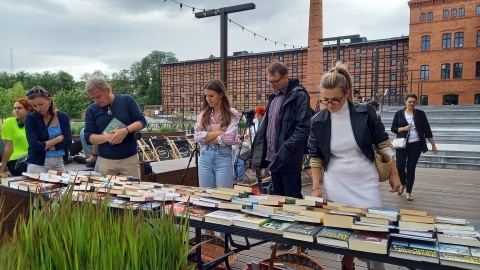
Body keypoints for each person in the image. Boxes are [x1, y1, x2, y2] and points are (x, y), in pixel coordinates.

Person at [308, 63, 401, 270]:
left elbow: (383, 142)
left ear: (347, 93)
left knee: (375, 235)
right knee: (343, 234)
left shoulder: (364, 112)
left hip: (365, 181)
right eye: (324, 99)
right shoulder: (318, 121)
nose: (329, 104)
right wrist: (316, 186)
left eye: (334, 99)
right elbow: (315, 156)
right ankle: (346, 263)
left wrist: (394, 173)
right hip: (336, 183)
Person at [252, 62, 311, 199]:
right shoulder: (274, 97)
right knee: (278, 200)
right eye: (269, 82)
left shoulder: (299, 96)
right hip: (274, 159)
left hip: (289, 158)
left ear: (286, 77)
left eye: (275, 81)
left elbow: (303, 128)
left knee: (292, 200)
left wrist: (286, 148)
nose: (272, 84)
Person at [83, 76, 147, 178]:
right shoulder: (91, 110)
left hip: (129, 159)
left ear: (107, 90)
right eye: (93, 98)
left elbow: (142, 121)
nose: (96, 101)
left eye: (98, 96)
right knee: (106, 193)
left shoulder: (127, 100)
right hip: (106, 161)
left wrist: (125, 131)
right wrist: (107, 137)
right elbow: (88, 137)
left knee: (131, 192)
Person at [391, 93, 437, 201]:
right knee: (400, 166)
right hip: (402, 144)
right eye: (409, 101)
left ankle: (408, 192)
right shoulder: (398, 113)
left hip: (416, 145)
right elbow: (393, 128)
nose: (411, 104)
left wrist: (433, 145)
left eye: (413, 102)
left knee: (411, 167)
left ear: (416, 103)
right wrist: (404, 128)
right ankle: (403, 183)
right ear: (405, 102)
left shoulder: (420, 114)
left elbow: (427, 130)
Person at [194, 79, 239, 189]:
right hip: (205, 156)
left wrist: (206, 135)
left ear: (221, 95)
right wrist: (219, 132)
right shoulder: (204, 114)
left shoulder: (232, 113)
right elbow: (196, 136)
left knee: (223, 196)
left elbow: (230, 138)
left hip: (223, 156)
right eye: (206, 96)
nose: (208, 99)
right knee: (205, 195)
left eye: (211, 96)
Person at [24, 86, 72, 173]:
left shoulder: (62, 116)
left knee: (64, 186)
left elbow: (68, 141)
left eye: (41, 104)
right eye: (34, 105)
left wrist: (46, 147)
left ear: (49, 100)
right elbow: (34, 146)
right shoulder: (30, 119)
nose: (38, 108)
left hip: (59, 162)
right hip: (37, 164)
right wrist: (58, 139)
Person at [0, 98, 33, 177]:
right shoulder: (9, 122)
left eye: (19, 108)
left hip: (33, 158)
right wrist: (2, 170)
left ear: (28, 109)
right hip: (16, 161)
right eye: (14, 108)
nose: (16, 110)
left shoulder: (34, 123)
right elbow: (8, 148)